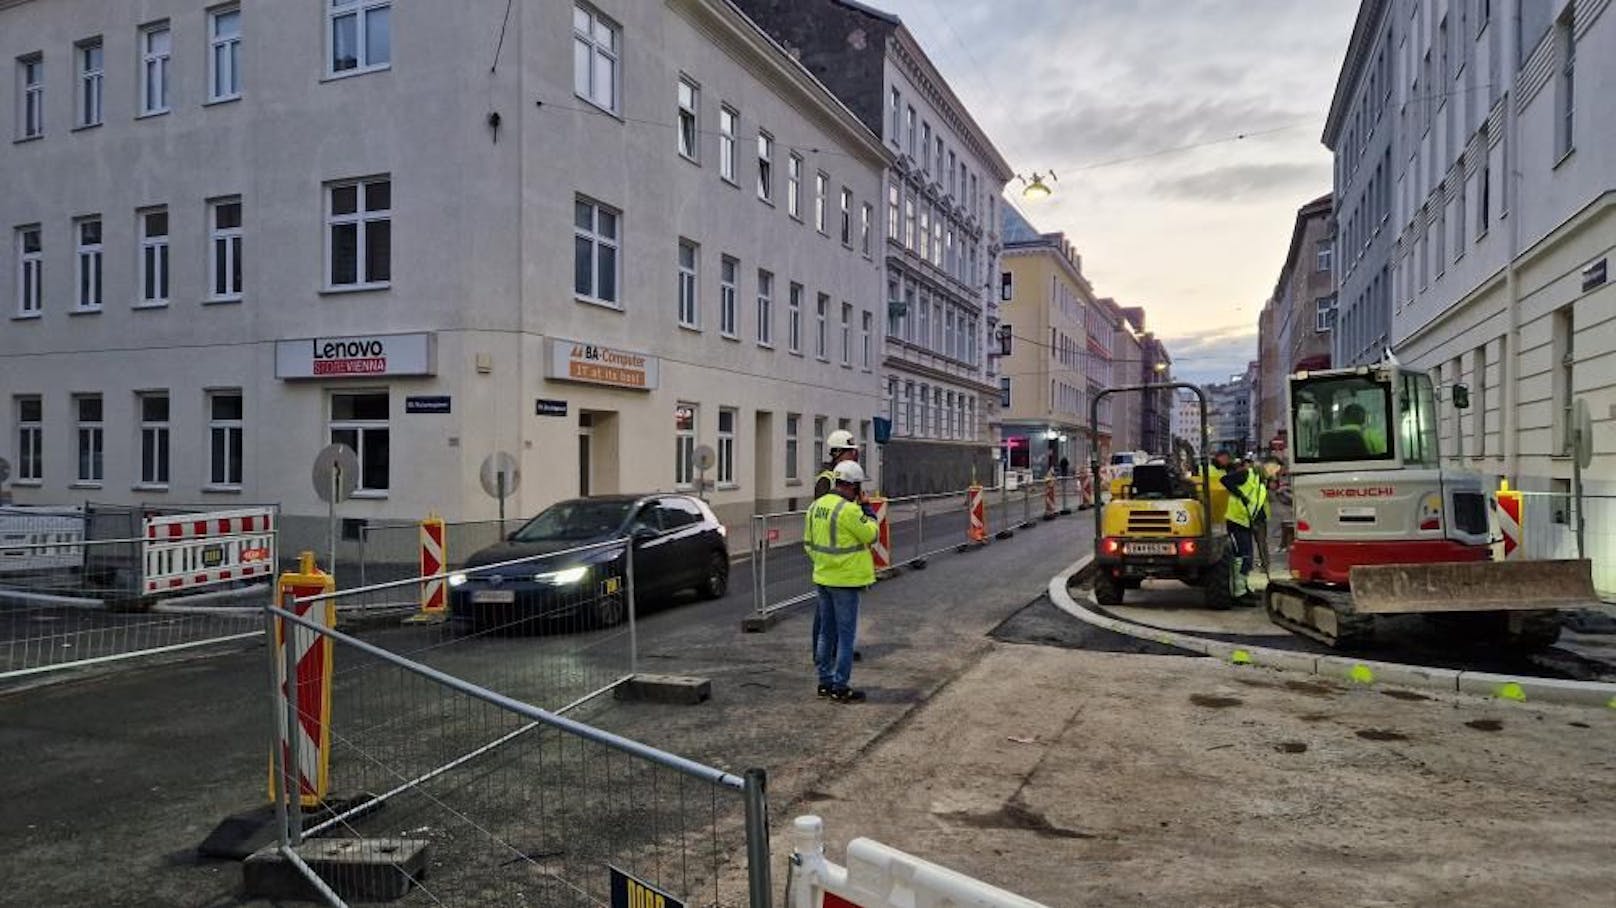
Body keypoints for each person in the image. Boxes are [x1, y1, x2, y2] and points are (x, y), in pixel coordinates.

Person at [804, 460, 878, 703]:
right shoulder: (848, 510)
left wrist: (824, 563)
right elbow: (872, 533)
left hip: (823, 577)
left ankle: (824, 681)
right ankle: (840, 686)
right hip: (845, 581)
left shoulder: (816, 506)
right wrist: (868, 509)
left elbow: (809, 543)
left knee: (827, 632)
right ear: (853, 486)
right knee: (846, 637)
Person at [1220, 456, 1269, 600]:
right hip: (1236, 521)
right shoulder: (1247, 474)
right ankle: (1239, 593)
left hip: (1246, 522)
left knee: (1247, 556)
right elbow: (1225, 480)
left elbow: (1256, 506)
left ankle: (1244, 587)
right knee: (1241, 556)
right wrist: (1239, 494)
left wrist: (1258, 522)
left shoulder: (1260, 484)